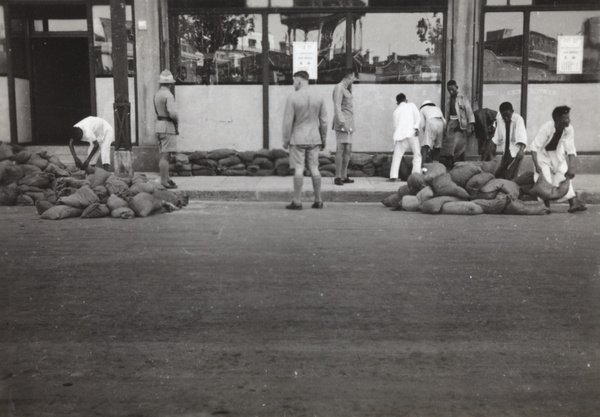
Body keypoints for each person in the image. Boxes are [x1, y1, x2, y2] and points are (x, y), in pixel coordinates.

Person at [282, 70, 328, 210]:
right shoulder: (319, 97)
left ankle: (297, 201)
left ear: (299, 80)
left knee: (299, 168)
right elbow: (324, 121)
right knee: (314, 167)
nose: (293, 84)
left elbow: (288, 122)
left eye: (294, 81)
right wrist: (323, 138)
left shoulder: (293, 97)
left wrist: (285, 139)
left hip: (298, 138)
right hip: (314, 138)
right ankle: (318, 200)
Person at [530, 105, 586, 213]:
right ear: (557, 119)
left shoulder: (569, 129)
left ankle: (573, 203)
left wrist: (571, 168)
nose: (569, 120)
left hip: (557, 154)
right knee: (545, 180)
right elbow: (534, 149)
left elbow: (571, 150)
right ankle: (545, 206)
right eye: (566, 118)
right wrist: (537, 165)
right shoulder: (546, 128)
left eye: (569, 117)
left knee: (564, 175)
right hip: (542, 155)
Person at [441, 80, 475, 170]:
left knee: (459, 146)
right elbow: (447, 114)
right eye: (449, 90)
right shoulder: (449, 99)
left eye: (452, 89)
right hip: (451, 124)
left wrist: (470, 124)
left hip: (460, 124)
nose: (451, 91)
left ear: (456, 87)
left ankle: (457, 165)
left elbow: (469, 111)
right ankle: (451, 165)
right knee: (449, 147)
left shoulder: (462, 98)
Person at [154, 69, 179, 189]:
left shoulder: (157, 94)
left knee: (162, 155)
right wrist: (177, 120)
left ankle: (167, 178)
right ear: (170, 83)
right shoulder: (168, 95)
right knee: (166, 156)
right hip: (167, 127)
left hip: (158, 126)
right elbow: (172, 113)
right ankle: (164, 181)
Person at [332, 69, 357, 186]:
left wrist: (349, 124)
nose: (354, 79)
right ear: (349, 76)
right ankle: (337, 177)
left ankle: (344, 175)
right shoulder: (339, 87)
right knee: (340, 149)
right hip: (342, 124)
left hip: (350, 123)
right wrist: (343, 123)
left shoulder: (347, 88)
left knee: (348, 150)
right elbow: (337, 106)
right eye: (353, 77)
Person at [388, 93, 421, 182]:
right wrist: (417, 127)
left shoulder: (396, 111)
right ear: (406, 100)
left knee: (397, 156)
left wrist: (395, 139)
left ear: (397, 103)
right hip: (412, 133)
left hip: (401, 135)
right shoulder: (411, 105)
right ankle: (415, 174)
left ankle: (393, 176)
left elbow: (395, 126)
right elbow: (418, 117)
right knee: (417, 154)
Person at [491, 102, 527, 180]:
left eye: (507, 115)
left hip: (517, 152)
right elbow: (497, 136)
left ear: (512, 111)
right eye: (503, 115)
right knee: (499, 173)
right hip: (506, 151)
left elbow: (522, 135)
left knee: (511, 174)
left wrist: (521, 150)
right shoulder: (500, 119)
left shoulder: (518, 119)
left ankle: (512, 188)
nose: (506, 117)